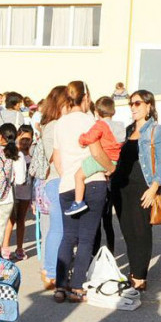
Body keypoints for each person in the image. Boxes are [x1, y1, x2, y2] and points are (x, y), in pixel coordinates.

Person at [110, 90, 161, 292]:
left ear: (148, 106)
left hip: (143, 187)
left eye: (137, 103)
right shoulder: (127, 131)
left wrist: (154, 188)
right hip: (121, 187)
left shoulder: (157, 131)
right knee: (127, 230)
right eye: (131, 104)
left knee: (141, 230)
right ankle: (134, 271)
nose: (133, 107)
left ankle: (140, 277)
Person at [53, 81, 107, 303]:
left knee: (68, 236)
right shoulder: (91, 121)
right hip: (92, 181)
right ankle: (77, 287)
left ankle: (60, 285)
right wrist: (110, 167)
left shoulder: (60, 123)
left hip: (67, 184)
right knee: (86, 238)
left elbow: (57, 156)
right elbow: (97, 153)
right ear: (85, 98)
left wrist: (68, 174)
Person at [66, 96, 121, 216]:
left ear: (96, 112)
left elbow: (90, 137)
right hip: (114, 159)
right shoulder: (119, 126)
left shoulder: (100, 125)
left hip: (102, 158)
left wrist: (81, 140)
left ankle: (78, 202)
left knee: (78, 176)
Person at [38, 85, 69, 290]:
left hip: (61, 179)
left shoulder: (57, 124)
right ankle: (50, 271)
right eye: (68, 102)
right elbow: (53, 156)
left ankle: (54, 269)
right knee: (57, 228)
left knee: (61, 228)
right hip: (57, 179)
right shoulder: (54, 126)